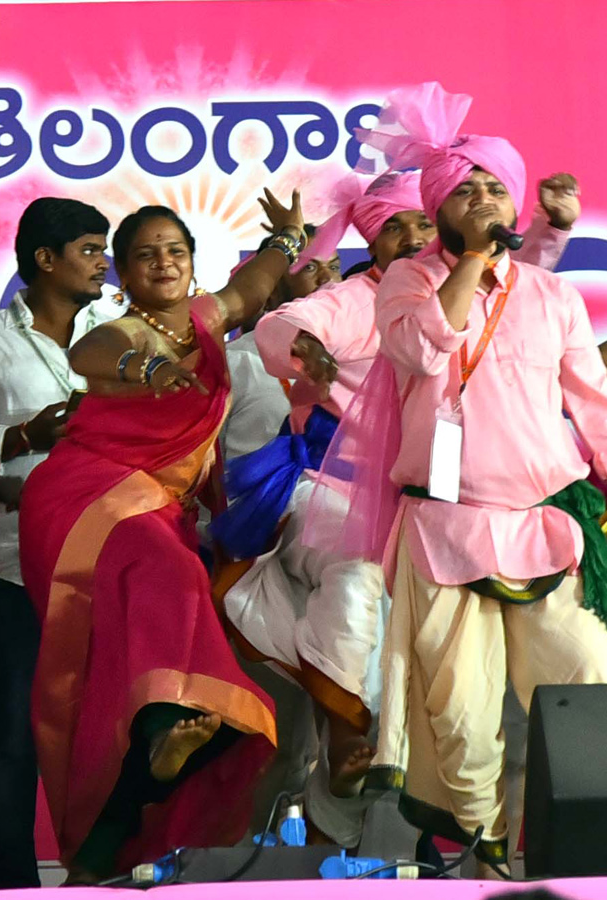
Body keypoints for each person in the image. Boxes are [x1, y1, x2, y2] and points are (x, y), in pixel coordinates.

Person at [218, 162, 578, 848]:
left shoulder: (462, 281)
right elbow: (286, 323)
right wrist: (304, 348)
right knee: (357, 589)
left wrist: (548, 232)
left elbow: (512, 280)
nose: (414, 233)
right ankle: (357, 742)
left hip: (453, 510)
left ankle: (455, 831)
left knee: (493, 691)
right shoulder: (362, 302)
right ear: (370, 244)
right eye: (396, 227)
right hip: (346, 495)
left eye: (422, 220)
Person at [350, 82, 607, 873]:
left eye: (496, 185)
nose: (486, 197)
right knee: (460, 719)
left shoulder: (553, 296)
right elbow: (426, 351)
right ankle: (481, 863)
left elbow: (593, 404)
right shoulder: (407, 283)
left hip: (545, 522)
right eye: (466, 188)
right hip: (445, 532)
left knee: (583, 688)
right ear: (439, 208)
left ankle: (576, 861)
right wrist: (470, 261)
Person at [18, 193, 305, 882]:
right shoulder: (124, 333)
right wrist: (151, 368)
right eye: (145, 255)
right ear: (123, 274)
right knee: (174, 581)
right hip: (87, 500)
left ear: (191, 263)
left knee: (118, 685)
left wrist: (288, 239)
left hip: (155, 511)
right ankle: (160, 729)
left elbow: (252, 287)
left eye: (174, 251)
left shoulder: (206, 318)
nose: (164, 262)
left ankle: (106, 841)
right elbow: (99, 349)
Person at [0, 197, 117, 888]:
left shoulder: (119, 332)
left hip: (108, 564)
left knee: (109, 731)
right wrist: (27, 440)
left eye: (104, 249)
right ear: (44, 260)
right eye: (89, 249)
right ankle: (10, 884)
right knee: (16, 736)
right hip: (17, 568)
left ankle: (104, 875)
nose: (102, 262)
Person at [222, 223, 337, 462]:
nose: (327, 279)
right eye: (309, 267)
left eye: (335, 267)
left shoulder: (358, 356)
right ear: (272, 289)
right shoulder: (236, 362)